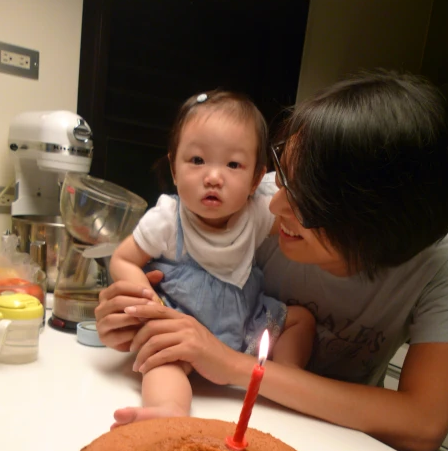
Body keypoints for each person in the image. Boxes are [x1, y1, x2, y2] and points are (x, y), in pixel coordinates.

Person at [96, 70, 448, 451]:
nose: (274, 204)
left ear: (370, 223)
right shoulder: (247, 202)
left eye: (304, 200)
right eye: (283, 174)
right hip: (227, 413)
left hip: (343, 447)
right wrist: (133, 317)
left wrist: (236, 365)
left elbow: (422, 427)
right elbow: (157, 283)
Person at [108, 89, 315, 425]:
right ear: (174, 169)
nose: (214, 177)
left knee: (300, 318)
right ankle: (170, 410)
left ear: (254, 179)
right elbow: (123, 259)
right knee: (164, 362)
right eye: (197, 160)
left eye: (233, 164)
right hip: (181, 328)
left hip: (245, 328)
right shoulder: (166, 220)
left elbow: (302, 214)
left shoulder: (260, 213)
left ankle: (282, 380)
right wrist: (149, 305)